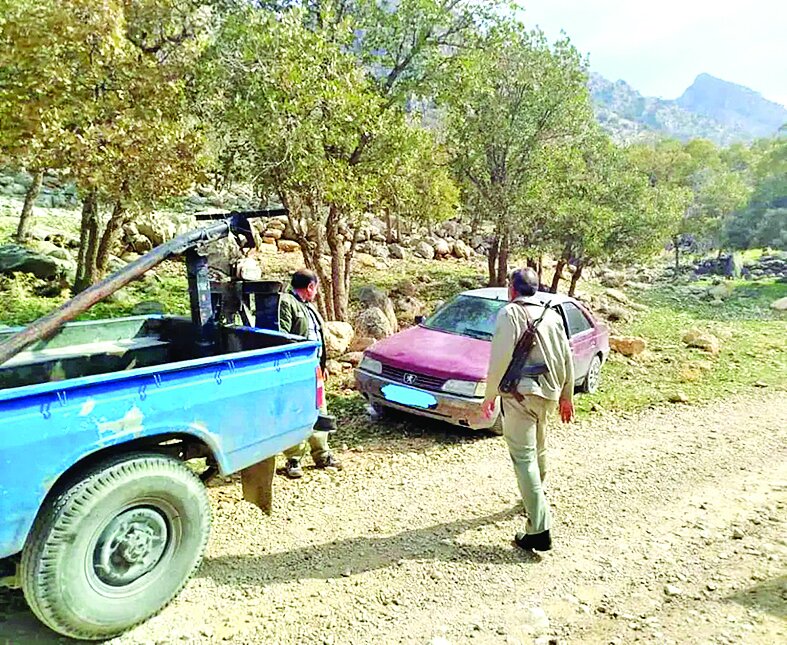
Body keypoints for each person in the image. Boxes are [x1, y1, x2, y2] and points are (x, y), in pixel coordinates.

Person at [482, 267, 574, 552]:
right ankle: (533, 498)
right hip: (548, 393)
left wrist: (489, 395)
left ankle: (538, 528)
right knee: (539, 450)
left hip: (520, 395)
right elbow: (567, 357)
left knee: (523, 458)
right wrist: (566, 396)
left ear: (512, 289)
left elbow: (499, 358)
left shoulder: (510, 314)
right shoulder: (553, 314)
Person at [278, 269, 342, 478]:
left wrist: (322, 366)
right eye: (316, 288)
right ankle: (294, 459)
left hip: (314, 370)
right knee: (295, 413)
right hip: (296, 371)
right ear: (310, 287)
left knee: (319, 411)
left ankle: (322, 454)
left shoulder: (310, 308)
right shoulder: (287, 303)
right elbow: (283, 337)